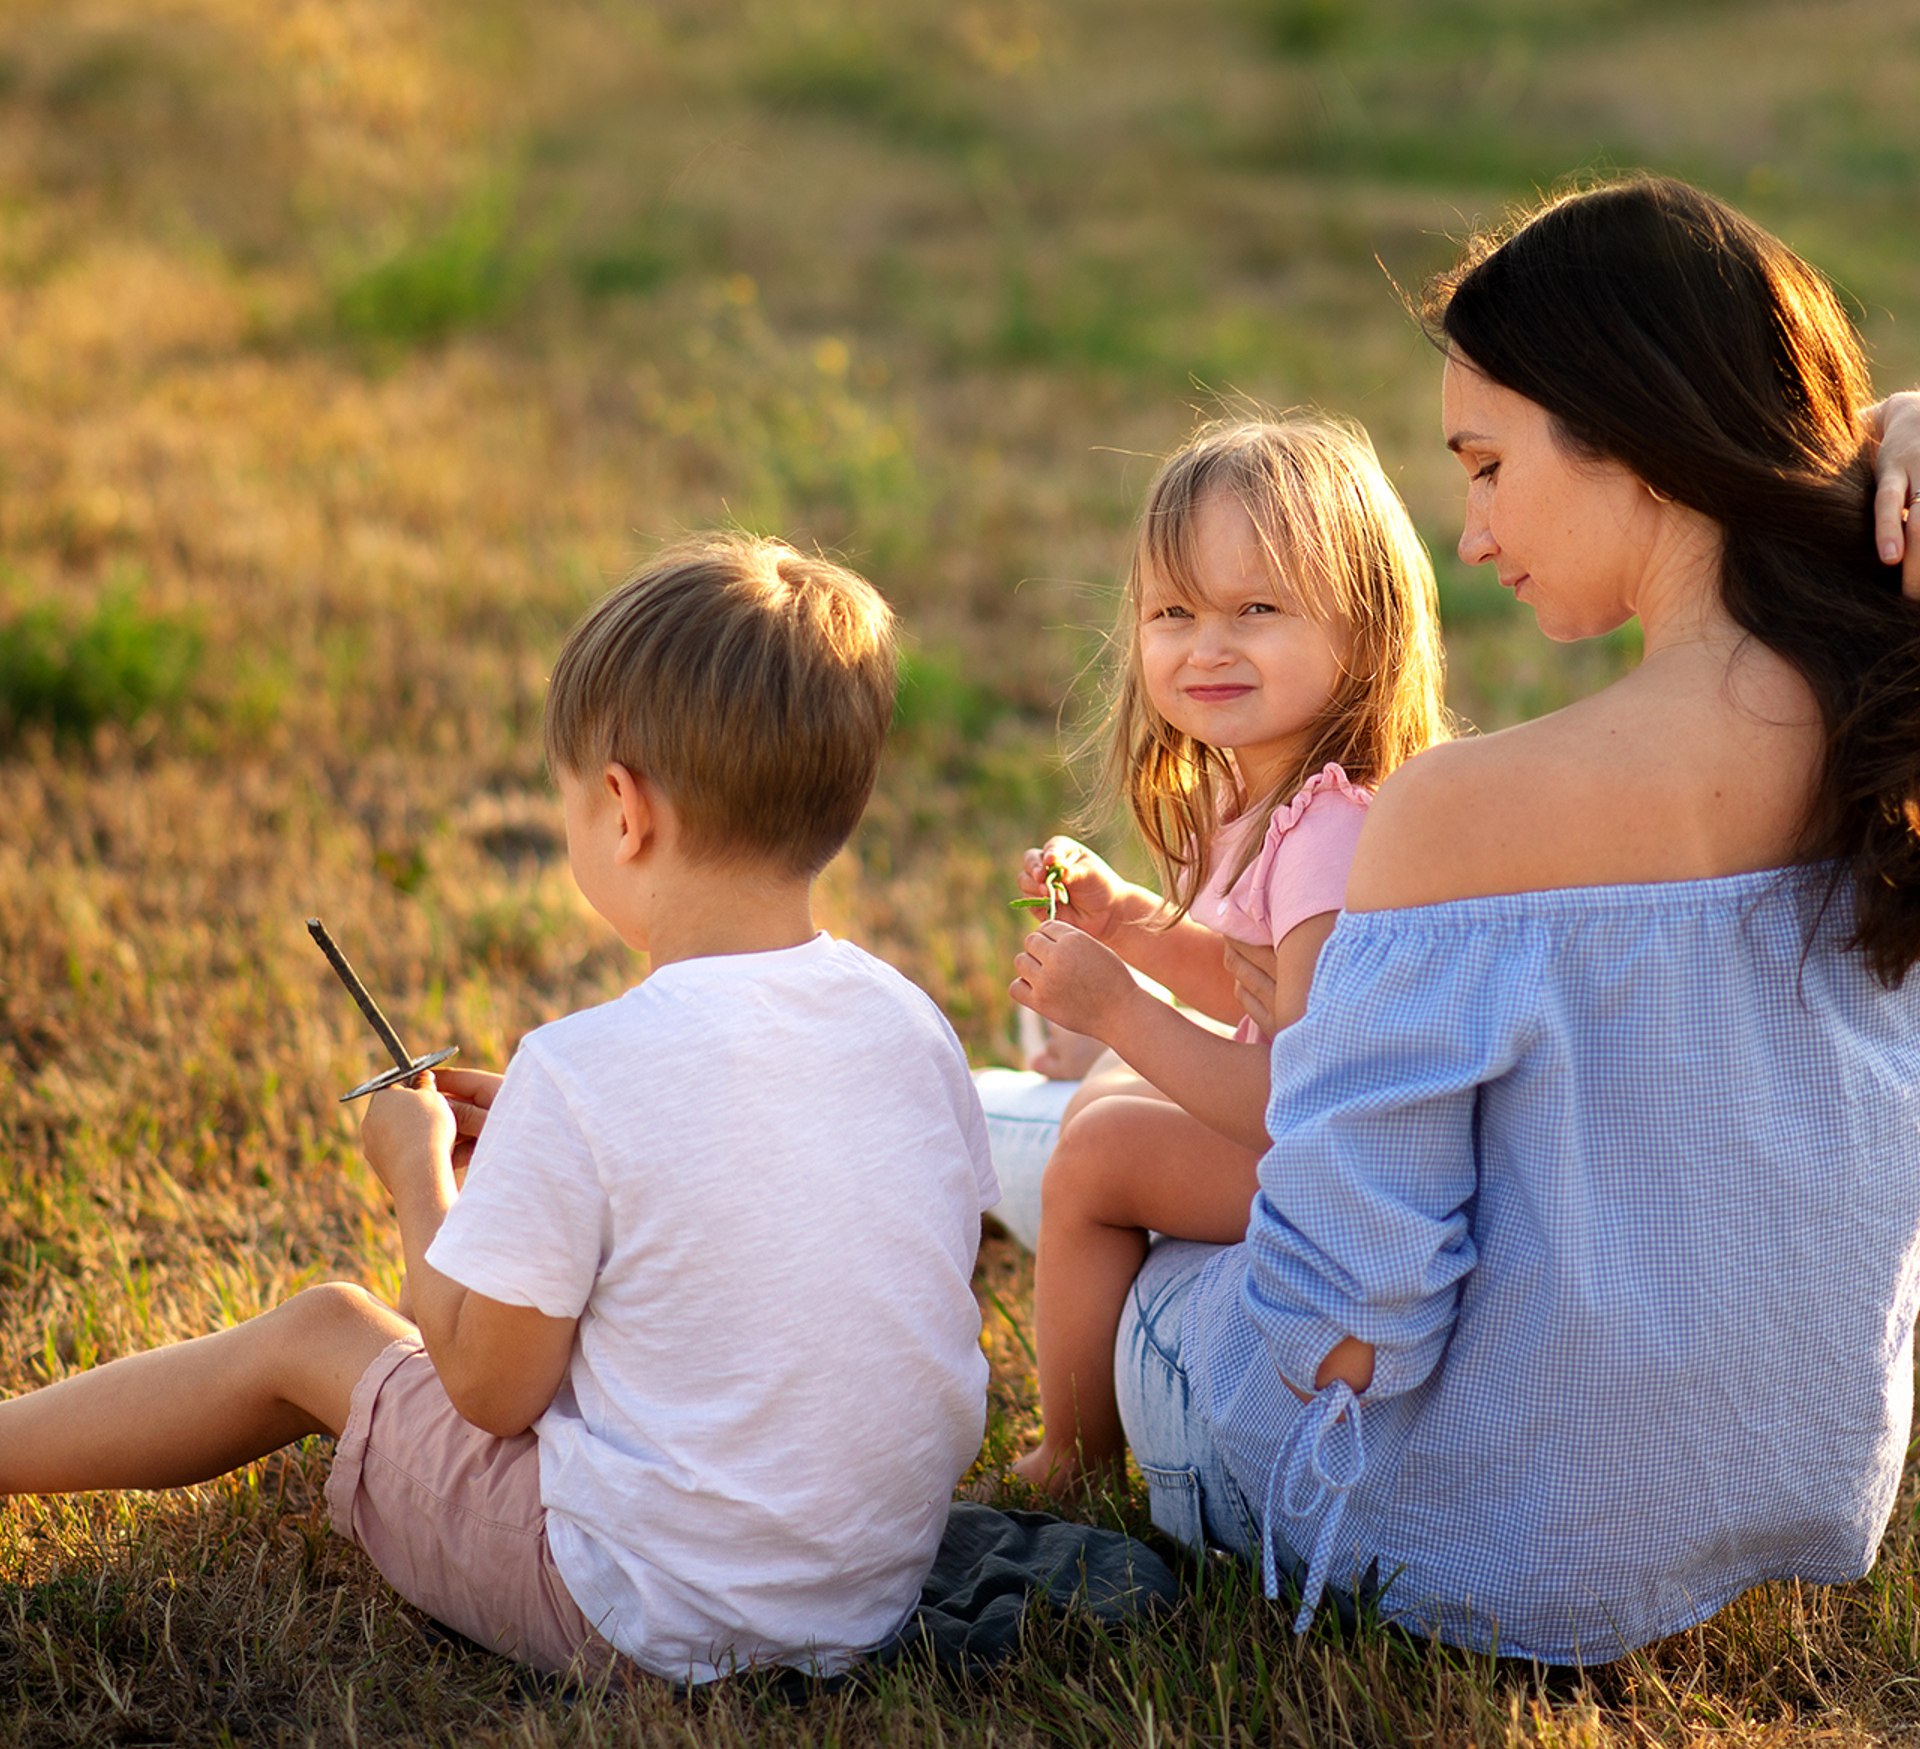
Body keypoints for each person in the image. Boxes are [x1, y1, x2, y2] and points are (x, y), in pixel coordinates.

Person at [1072, 175, 1920, 1663]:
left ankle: (1016, 1123)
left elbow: (1348, 1318)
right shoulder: (1888, 733)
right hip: (1790, 1477)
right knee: (1116, 1103)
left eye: (1484, 463)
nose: (1468, 536)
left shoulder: (1460, 816)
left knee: (1111, 1146)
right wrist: (1893, 426)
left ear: (1639, 447)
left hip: (1456, 1529)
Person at [0, 534, 999, 1686]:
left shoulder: (587, 1070)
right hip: (868, 1586)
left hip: (644, 1615)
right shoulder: (910, 1022)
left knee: (322, 1331)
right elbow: (845, 1245)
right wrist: (555, 1157)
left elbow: (486, 1391)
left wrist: (422, 1181)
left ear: (622, 812)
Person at [1000, 419, 1448, 1493]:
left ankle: (1074, 1454)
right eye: (1174, 613)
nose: (1206, 646)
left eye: (1256, 609)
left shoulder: (1331, 834)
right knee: (1099, 1111)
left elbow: (1292, 1097)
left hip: (1349, 1185)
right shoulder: (1266, 793)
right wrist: (1130, 923)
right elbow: (1255, 992)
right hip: (1317, 1146)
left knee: (1094, 1161)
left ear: (1364, 629)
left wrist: (1118, 1010)